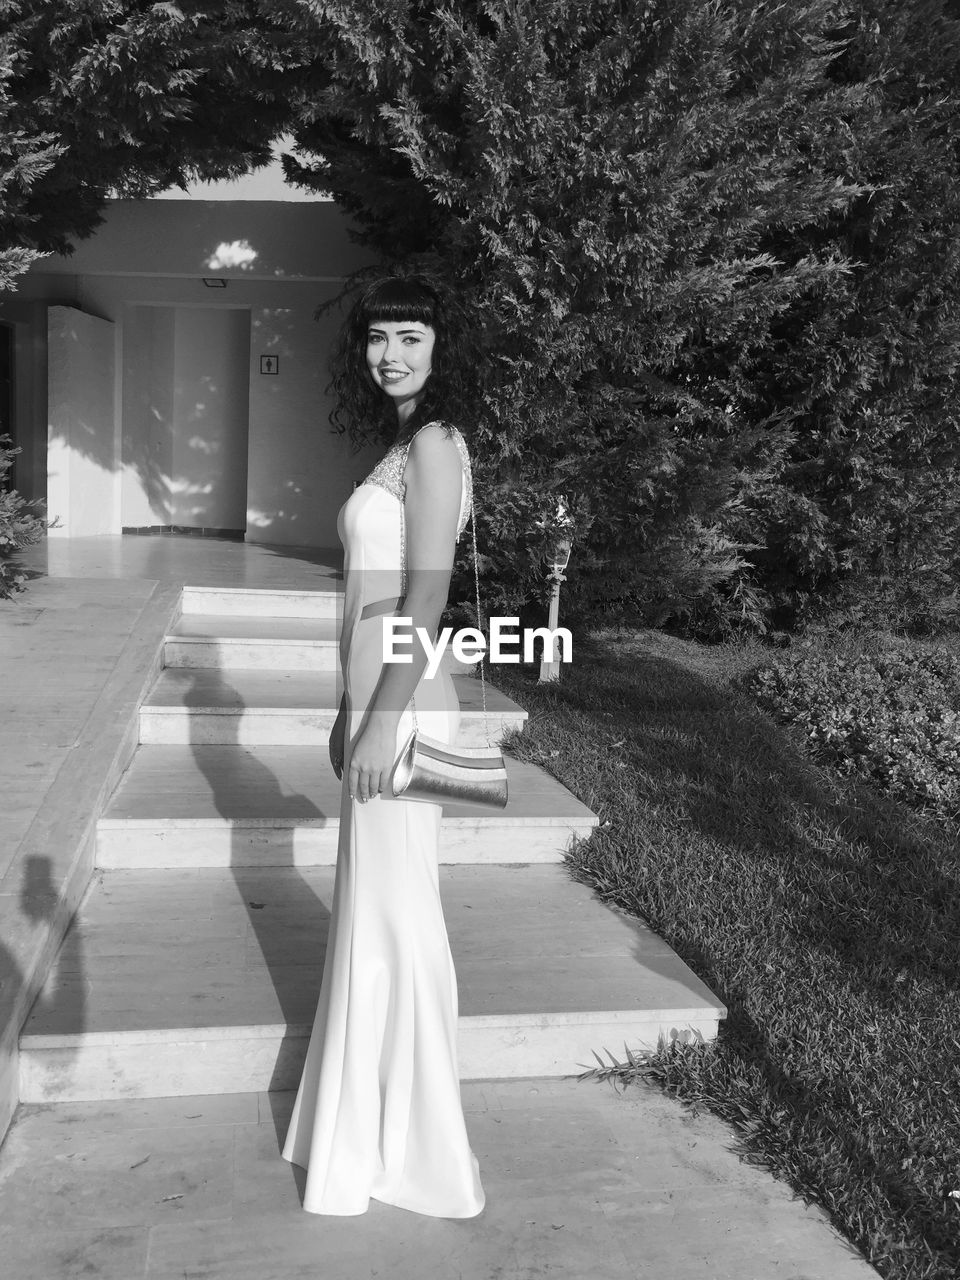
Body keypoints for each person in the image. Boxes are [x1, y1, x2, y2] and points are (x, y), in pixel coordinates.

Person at [281, 274, 486, 1218]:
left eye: (411, 334)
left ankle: (418, 1151)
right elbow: (356, 593)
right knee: (373, 909)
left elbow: (428, 602)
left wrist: (379, 718)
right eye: (377, 336)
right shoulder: (395, 444)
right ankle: (360, 1129)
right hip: (371, 680)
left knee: (399, 912)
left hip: (405, 688)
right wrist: (341, 702)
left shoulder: (437, 444)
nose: (391, 352)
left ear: (443, 345)